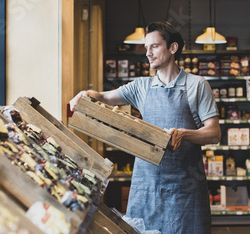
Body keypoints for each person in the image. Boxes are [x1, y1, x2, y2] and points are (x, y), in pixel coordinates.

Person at [70, 21, 220, 234]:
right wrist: (84, 94)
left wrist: (183, 134)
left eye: (154, 46)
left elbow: (214, 133)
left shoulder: (197, 85)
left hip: (185, 187)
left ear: (173, 48)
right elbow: (103, 97)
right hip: (147, 184)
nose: (147, 53)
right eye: (146, 47)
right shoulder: (140, 86)